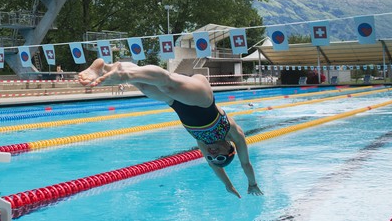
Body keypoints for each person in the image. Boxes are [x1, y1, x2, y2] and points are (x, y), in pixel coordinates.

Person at [77, 58, 262, 198]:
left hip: (177, 104)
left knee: (144, 86)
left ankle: (104, 68)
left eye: (214, 158)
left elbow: (215, 167)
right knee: (168, 85)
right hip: (203, 99)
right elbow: (246, 163)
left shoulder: (204, 145)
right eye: (220, 156)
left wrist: (227, 185)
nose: (213, 154)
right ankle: (125, 75)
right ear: (230, 149)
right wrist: (252, 184)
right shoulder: (233, 133)